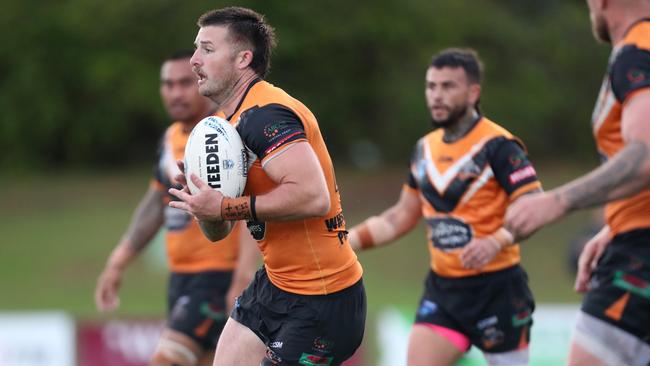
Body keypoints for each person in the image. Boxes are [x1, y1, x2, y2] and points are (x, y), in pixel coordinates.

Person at [167, 7, 366, 366]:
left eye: (207, 50)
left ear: (243, 58)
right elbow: (218, 232)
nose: (194, 60)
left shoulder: (266, 114)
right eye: (196, 49)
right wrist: (206, 205)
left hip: (324, 298)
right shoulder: (227, 123)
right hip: (276, 286)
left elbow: (313, 196)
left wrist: (226, 207)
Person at [348, 48, 541, 366]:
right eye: (431, 86)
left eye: (448, 86)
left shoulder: (500, 147)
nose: (436, 95)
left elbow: (533, 204)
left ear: (473, 92)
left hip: (499, 288)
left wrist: (497, 241)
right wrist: (345, 242)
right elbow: (399, 217)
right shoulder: (424, 149)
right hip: (444, 290)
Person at [505, 0, 650, 364]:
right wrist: (615, 224)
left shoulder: (637, 52)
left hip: (639, 259)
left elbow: (645, 156)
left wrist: (556, 202)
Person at [95, 50, 259, 366]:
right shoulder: (170, 138)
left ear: (203, 82)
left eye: (185, 83)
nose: (175, 92)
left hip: (219, 276)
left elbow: (255, 205)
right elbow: (156, 203)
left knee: (167, 360)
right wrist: (118, 261)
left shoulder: (225, 133)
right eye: (168, 84)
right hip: (181, 278)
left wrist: (243, 273)